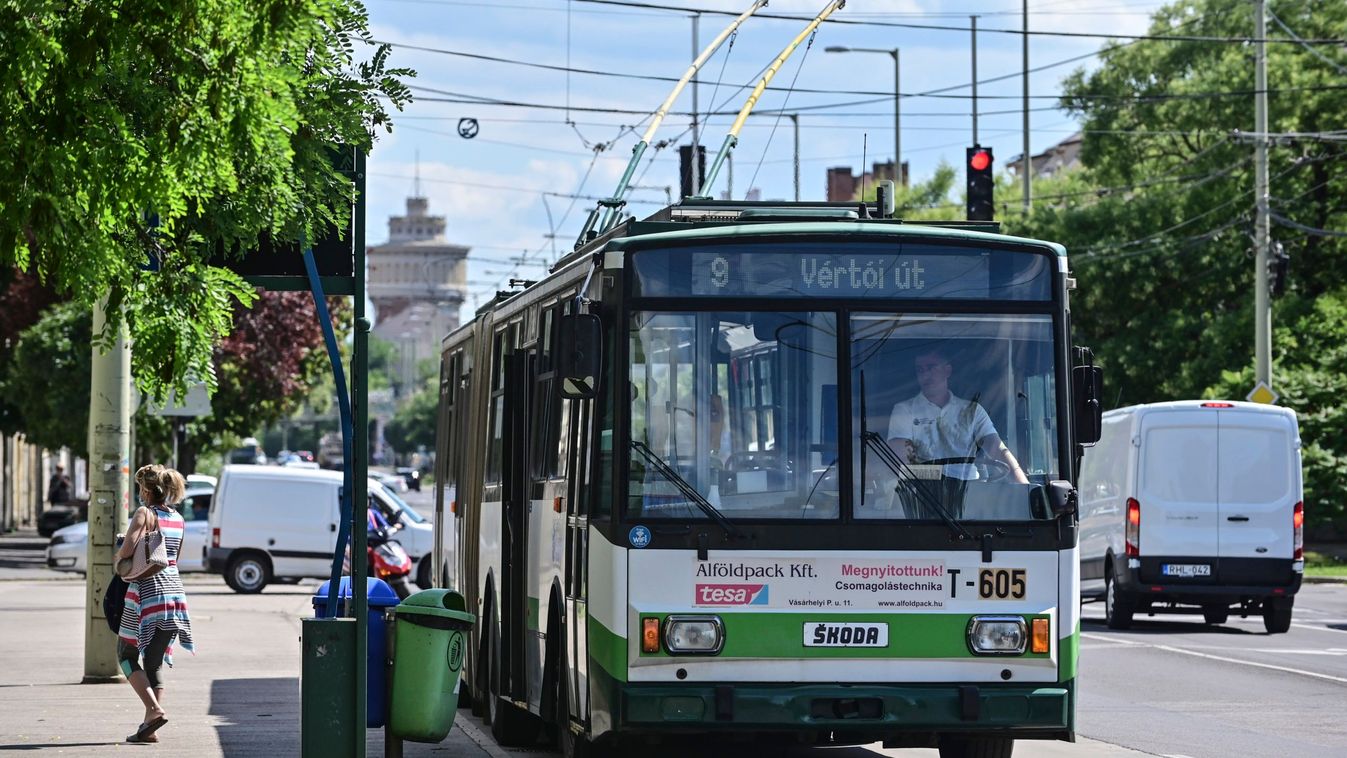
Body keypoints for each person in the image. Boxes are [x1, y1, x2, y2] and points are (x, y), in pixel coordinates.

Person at [115, 465, 194, 744]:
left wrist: (120, 549)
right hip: (175, 596)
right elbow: (172, 557)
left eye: (140, 488)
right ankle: (150, 728)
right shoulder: (178, 518)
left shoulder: (144, 513)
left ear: (146, 490)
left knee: (125, 655)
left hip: (146, 595)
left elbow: (128, 550)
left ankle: (154, 709)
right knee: (153, 661)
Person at [887, 346, 1030, 491]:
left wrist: (1026, 489)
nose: (925, 374)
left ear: (947, 371)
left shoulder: (972, 410)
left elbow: (997, 449)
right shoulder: (905, 411)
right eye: (920, 370)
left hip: (971, 494)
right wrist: (944, 478)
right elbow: (902, 464)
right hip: (924, 495)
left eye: (931, 367)